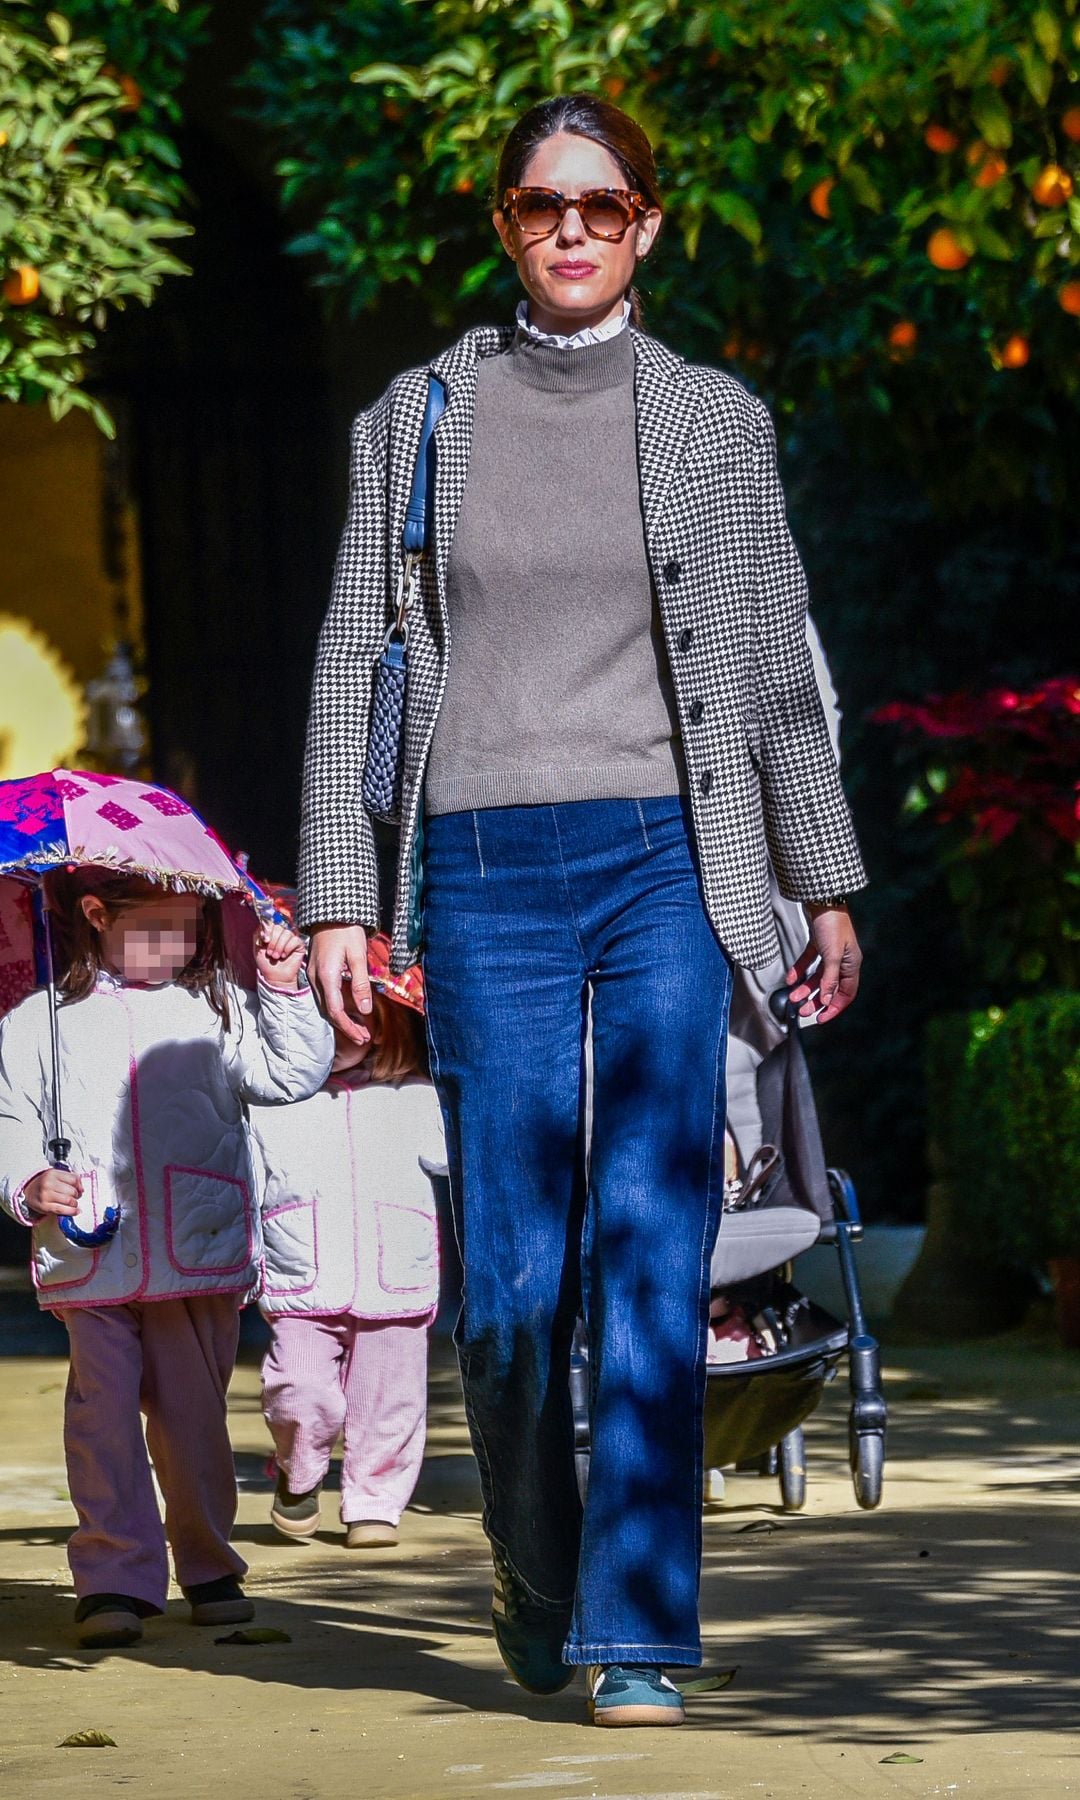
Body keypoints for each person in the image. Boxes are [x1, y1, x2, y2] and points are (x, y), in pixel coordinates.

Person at [298, 93, 866, 1728]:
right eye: (544, 204)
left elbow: (771, 669)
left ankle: (636, 1625)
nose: (572, 228)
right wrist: (343, 893)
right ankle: (539, 1575)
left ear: (648, 225)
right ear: (502, 225)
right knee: (514, 1272)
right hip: (481, 869)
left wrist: (818, 875)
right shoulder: (414, 417)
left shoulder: (717, 423)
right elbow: (356, 661)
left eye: (604, 206)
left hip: (672, 867)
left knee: (648, 1236)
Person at [0, 870, 333, 1649]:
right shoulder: (39, 1022)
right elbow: (9, 1117)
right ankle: (115, 1578)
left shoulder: (215, 1003)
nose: (179, 945)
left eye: (189, 926)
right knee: (101, 1421)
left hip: (196, 1251)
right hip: (94, 1255)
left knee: (194, 1423)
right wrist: (25, 1182)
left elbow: (288, 1074)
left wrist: (284, 991)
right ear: (94, 915)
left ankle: (210, 1564)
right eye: (158, 926)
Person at [253, 935, 445, 1549]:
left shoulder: (420, 1097)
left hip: (397, 1276)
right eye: (329, 1014)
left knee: (392, 1401)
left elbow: (454, 1157)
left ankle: (375, 1503)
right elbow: (245, 1175)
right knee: (299, 1392)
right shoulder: (275, 1100)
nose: (348, 1030)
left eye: (364, 1015)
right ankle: (299, 1472)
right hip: (301, 1273)